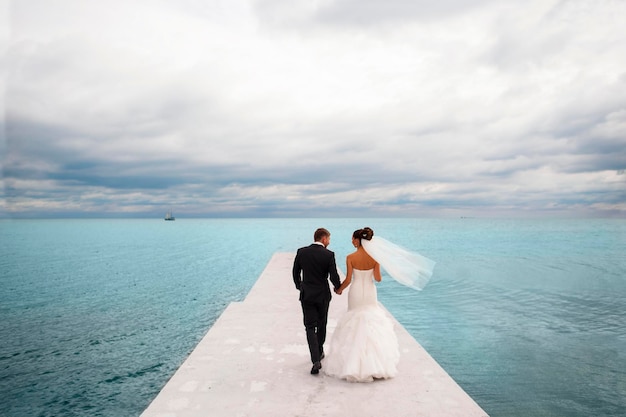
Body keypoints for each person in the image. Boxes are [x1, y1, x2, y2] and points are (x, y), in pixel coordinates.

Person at [324, 227, 400, 382]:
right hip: (370, 292)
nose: (351, 241)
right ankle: (375, 364)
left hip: (356, 291)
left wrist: (339, 289)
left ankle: (353, 364)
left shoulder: (350, 257)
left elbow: (348, 279)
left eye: (353, 239)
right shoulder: (375, 257)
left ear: (358, 240)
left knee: (355, 321)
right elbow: (378, 279)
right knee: (371, 321)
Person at [292, 227, 343, 375]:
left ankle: (315, 360)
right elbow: (333, 275)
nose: (329, 241)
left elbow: (295, 272)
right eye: (329, 239)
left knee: (309, 326)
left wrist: (300, 286)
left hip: (307, 294)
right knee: (322, 324)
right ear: (324, 239)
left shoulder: (302, 252)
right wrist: (338, 287)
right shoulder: (328, 255)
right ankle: (320, 352)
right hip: (322, 295)